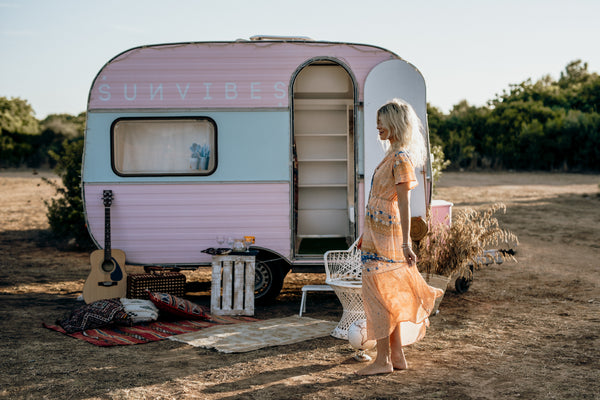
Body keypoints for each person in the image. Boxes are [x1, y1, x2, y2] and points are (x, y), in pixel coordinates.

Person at [356, 99, 443, 376]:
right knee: (386, 293)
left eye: (382, 121)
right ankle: (396, 356)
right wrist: (364, 233)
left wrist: (406, 243)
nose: (378, 126)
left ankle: (382, 361)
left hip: (388, 236)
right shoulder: (391, 155)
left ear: (395, 123)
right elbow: (376, 200)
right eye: (377, 121)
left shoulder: (400, 158)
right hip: (376, 233)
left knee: (378, 295)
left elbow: (403, 204)